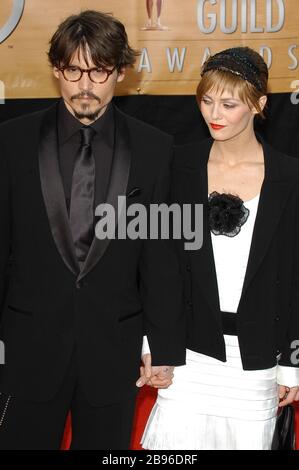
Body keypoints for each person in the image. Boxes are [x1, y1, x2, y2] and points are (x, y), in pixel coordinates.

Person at [0, 10, 185, 450]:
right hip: (28, 350)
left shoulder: (155, 148)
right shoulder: (12, 142)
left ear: (121, 72)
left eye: (99, 71)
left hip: (114, 352)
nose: (85, 84)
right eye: (73, 70)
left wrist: (164, 347)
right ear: (56, 70)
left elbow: (161, 257)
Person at [141, 47, 299, 450]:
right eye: (207, 100)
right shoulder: (178, 167)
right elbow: (160, 265)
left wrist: (292, 367)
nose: (216, 113)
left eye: (229, 104)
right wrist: (154, 345)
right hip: (188, 358)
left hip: (257, 363)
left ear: (259, 104)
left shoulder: (290, 177)